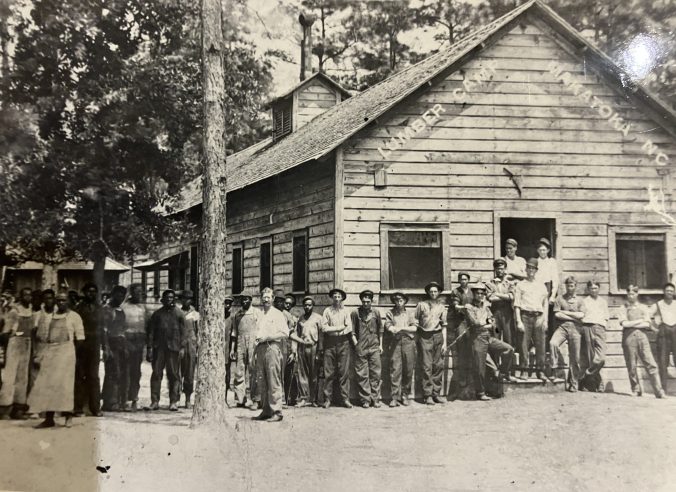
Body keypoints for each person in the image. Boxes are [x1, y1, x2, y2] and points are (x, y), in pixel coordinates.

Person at [28, 291, 85, 428]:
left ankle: (68, 416)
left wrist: (72, 355)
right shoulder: (50, 316)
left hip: (66, 353)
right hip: (51, 352)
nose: (61, 303)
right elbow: (45, 335)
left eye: (64, 300)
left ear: (69, 302)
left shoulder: (74, 317)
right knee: (48, 384)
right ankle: (49, 418)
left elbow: (80, 338)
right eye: (58, 300)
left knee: (65, 385)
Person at [465, 283, 515, 401]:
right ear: (474, 294)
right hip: (477, 338)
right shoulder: (469, 307)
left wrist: (489, 324)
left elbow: (492, 322)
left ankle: (502, 372)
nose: (480, 295)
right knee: (479, 367)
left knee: (508, 349)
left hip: (489, 337)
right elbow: (475, 323)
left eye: (482, 293)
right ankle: (480, 392)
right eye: (478, 293)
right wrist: (487, 323)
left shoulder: (486, 307)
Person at [253, 287, 291, 422]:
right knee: (262, 379)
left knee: (273, 379)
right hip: (260, 348)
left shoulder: (278, 314)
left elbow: (285, 333)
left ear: (273, 299)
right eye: (264, 297)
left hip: (273, 348)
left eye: (268, 297)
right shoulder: (260, 314)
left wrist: (269, 337)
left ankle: (277, 411)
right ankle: (266, 410)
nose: (266, 300)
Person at [620, 285, 666, 398]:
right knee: (631, 365)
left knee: (651, 363)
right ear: (627, 294)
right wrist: (640, 320)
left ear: (637, 294)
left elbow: (647, 324)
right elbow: (624, 323)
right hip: (628, 337)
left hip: (642, 337)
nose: (631, 296)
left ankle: (659, 391)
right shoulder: (623, 307)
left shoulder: (644, 307)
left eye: (633, 293)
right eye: (629, 294)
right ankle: (635, 389)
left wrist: (633, 323)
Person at [147, 289, 187, 411]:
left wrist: (182, 347)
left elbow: (184, 333)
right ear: (162, 300)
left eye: (171, 298)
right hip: (159, 349)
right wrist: (149, 348)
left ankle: (173, 401)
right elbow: (151, 333)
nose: (169, 300)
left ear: (174, 299)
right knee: (156, 374)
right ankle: (154, 401)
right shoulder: (157, 314)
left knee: (174, 375)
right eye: (167, 298)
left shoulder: (179, 314)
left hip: (174, 349)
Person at [0, 288, 35, 419]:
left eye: (29, 295)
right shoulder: (14, 311)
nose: (28, 297)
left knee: (23, 378)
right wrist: (21, 334)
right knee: (10, 377)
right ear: (21, 297)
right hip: (15, 344)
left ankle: (18, 408)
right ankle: (4, 409)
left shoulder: (31, 310)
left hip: (27, 345)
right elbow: (7, 333)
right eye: (25, 295)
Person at [513, 258, 549, 381]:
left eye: (533, 268)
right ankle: (523, 370)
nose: (531, 270)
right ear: (526, 270)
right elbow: (517, 304)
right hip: (525, 316)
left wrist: (545, 320)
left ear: (536, 270)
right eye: (529, 268)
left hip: (539, 316)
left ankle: (540, 371)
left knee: (541, 344)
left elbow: (545, 303)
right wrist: (518, 321)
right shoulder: (520, 285)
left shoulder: (541, 286)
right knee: (524, 344)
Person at [415, 281, 448, 405]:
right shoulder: (421, 305)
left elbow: (444, 325)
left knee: (438, 365)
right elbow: (415, 322)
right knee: (427, 366)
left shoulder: (442, 306)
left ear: (439, 293)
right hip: (425, 336)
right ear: (428, 292)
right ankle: (427, 394)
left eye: (436, 291)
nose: (433, 293)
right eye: (431, 291)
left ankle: (436, 393)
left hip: (438, 336)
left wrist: (444, 343)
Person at [74, 283, 103, 417]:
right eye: (89, 292)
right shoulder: (78, 308)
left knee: (94, 376)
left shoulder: (99, 309)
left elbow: (103, 329)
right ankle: (78, 407)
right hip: (81, 345)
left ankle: (95, 407)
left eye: (94, 292)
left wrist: (105, 346)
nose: (91, 294)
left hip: (95, 345)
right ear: (84, 293)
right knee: (79, 375)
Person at [321, 287, 353, 409]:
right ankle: (327, 399)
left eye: (339, 297)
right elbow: (324, 328)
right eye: (335, 296)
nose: (337, 299)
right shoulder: (327, 311)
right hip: (330, 343)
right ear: (332, 298)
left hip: (343, 342)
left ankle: (345, 399)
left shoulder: (346, 311)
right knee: (328, 372)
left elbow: (348, 328)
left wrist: (335, 330)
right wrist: (339, 328)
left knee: (343, 372)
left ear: (342, 298)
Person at [351, 290, 383, 409]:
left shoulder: (376, 313)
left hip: (374, 347)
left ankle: (375, 399)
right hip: (361, 347)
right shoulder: (356, 313)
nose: (365, 304)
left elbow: (381, 330)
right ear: (361, 301)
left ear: (371, 301)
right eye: (364, 301)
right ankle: (365, 399)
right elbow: (352, 332)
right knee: (362, 374)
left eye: (368, 301)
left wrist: (381, 345)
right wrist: (356, 345)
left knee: (376, 374)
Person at [551, 277, 584, 391]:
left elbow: (581, 315)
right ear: (565, 286)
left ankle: (573, 383)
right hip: (562, 328)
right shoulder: (560, 299)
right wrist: (572, 316)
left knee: (575, 357)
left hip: (576, 329)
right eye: (568, 285)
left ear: (575, 286)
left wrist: (564, 312)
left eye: (572, 285)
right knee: (553, 343)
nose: (570, 288)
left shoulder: (580, 300)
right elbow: (557, 315)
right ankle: (554, 369)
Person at [384, 292, 416, 407]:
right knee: (395, 369)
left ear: (405, 301)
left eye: (401, 299)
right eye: (396, 300)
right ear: (394, 301)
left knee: (408, 369)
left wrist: (402, 328)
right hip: (395, 343)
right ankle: (394, 397)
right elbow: (389, 327)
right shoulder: (390, 313)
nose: (399, 302)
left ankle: (405, 395)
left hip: (408, 342)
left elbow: (414, 328)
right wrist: (394, 328)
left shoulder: (410, 313)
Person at [122, 283, 149, 411]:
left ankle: (134, 398)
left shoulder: (143, 308)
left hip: (139, 340)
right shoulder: (124, 307)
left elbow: (147, 326)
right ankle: (125, 399)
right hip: (128, 339)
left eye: (141, 292)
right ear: (131, 293)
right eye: (137, 292)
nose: (139, 294)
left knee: (136, 372)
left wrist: (146, 344)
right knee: (126, 370)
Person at [101, 286, 129, 411]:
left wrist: (125, 346)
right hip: (111, 344)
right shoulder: (107, 310)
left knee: (122, 373)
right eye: (118, 295)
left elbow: (123, 329)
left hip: (121, 344)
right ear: (113, 295)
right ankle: (109, 402)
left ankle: (120, 400)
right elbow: (104, 330)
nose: (121, 298)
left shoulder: (121, 310)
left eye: (123, 296)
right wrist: (106, 348)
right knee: (112, 373)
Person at [232, 291, 260, 409]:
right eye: (242, 299)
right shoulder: (237, 315)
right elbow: (234, 333)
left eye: (246, 299)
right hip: (240, 343)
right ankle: (240, 398)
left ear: (251, 300)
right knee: (239, 371)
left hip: (253, 343)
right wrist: (232, 349)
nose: (244, 301)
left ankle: (256, 399)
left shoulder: (257, 313)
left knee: (254, 371)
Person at [447, 274, 473, 400]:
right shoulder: (456, 291)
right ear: (459, 281)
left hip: (473, 321)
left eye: (465, 279)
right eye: (461, 279)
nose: (463, 281)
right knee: (463, 351)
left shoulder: (473, 291)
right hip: (462, 321)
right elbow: (456, 306)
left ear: (468, 280)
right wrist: (464, 307)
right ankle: (462, 382)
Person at [579, 280, 608, 392]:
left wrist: (602, 328)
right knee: (591, 358)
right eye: (592, 288)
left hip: (600, 328)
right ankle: (598, 382)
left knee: (601, 359)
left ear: (599, 289)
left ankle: (585, 376)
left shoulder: (603, 302)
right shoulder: (584, 301)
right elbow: (582, 316)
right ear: (588, 289)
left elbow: (606, 317)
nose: (594, 290)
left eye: (596, 288)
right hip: (587, 327)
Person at [294, 296, 322, 407]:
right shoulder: (301, 319)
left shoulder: (318, 318)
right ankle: (304, 398)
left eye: (309, 305)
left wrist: (320, 350)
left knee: (314, 374)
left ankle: (314, 399)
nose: (307, 307)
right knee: (302, 373)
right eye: (305, 305)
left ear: (313, 306)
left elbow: (321, 335)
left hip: (314, 347)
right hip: (302, 347)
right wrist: (296, 349)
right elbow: (298, 334)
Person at [650, 283, 676, 393]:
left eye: (671, 291)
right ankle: (663, 389)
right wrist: (653, 327)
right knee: (662, 361)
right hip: (663, 334)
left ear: (674, 292)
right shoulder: (658, 304)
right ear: (664, 292)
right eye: (667, 291)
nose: (669, 293)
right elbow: (647, 315)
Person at [487, 259, 516, 349]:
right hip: (495, 313)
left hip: (507, 314)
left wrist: (496, 294)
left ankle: (508, 363)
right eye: (498, 269)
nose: (500, 271)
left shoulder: (509, 283)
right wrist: (505, 296)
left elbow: (511, 297)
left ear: (505, 269)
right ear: (495, 269)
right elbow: (490, 298)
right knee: (496, 337)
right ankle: (495, 362)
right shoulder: (490, 283)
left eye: (502, 268)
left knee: (509, 338)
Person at [179, 290, 200, 409]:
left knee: (189, 372)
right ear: (181, 299)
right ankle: (175, 399)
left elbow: (198, 330)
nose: (187, 301)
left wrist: (197, 345)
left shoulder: (195, 314)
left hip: (191, 345)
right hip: (179, 344)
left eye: (189, 299)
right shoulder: (177, 312)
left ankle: (187, 399)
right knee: (177, 372)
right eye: (184, 298)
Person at [534, 238, 559, 335]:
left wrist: (552, 295)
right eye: (540, 250)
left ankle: (547, 343)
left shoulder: (551, 262)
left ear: (548, 250)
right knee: (538, 313)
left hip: (548, 288)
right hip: (537, 289)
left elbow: (555, 280)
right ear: (537, 251)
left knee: (548, 315)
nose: (542, 252)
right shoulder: (536, 261)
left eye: (544, 250)